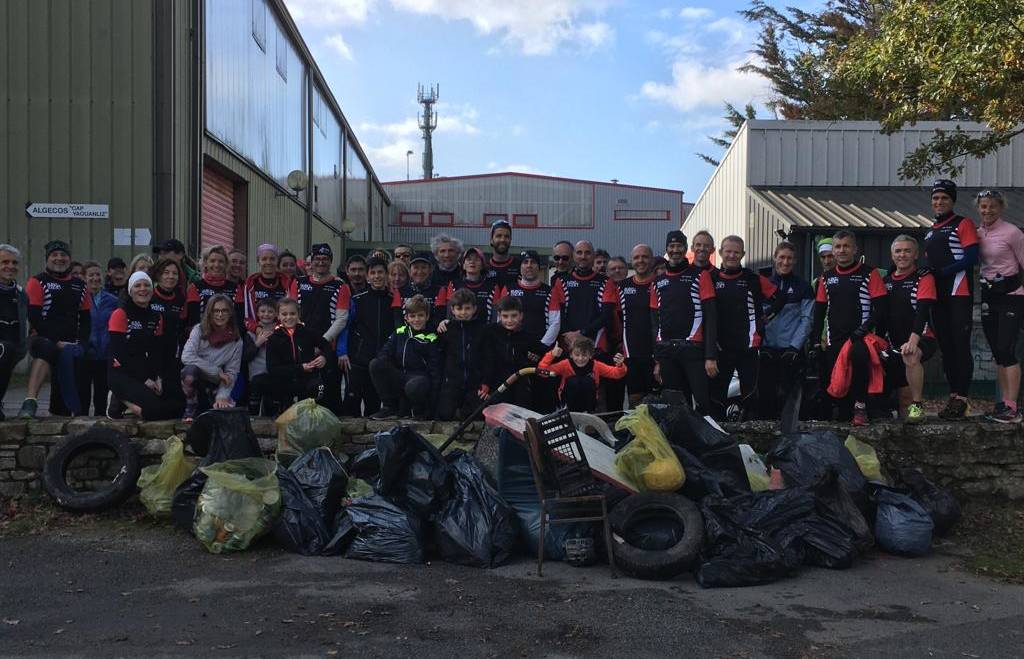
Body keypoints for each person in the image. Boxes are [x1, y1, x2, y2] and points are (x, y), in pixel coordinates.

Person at [811, 230, 888, 426]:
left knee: (859, 359)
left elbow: (881, 308)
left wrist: (863, 330)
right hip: (834, 339)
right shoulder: (825, 278)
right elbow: (819, 313)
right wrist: (814, 342)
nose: (842, 250)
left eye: (846, 246)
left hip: (860, 338)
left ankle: (861, 407)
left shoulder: (869, 273)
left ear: (855, 249)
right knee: (836, 386)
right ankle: (843, 416)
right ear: (833, 251)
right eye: (838, 246)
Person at [923, 179, 980, 418]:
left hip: (958, 292)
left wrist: (942, 273)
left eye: (944, 198)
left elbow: (971, 258)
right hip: (938, 295)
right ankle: (953, 396)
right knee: (946, 348)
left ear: (952, 201)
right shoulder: (930, 230)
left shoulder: (963, 223)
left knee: (959, 345)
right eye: (935, 198)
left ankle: (962, 397)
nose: (939, 202)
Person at [708, 236, 780, 421]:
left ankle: (752, 432)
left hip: (748, 345)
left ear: (743, 254)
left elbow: (780, 298)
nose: (732, 255)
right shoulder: (711, 278)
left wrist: (766, 316)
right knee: (717, 393)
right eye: (728, 251)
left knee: (750, 392)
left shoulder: (753, 279)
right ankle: (719, 431)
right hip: (721, 346)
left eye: (736, 252)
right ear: (721, 252)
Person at [18, 241, 91, 418]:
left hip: (70, 341)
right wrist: (57, 341)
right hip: (42, 338)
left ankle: (69, 411)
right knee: (48, 349)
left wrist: (81, 342)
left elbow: (86, 320)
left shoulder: (80, 285)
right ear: (47, 259)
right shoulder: (37, 281)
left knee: (84, 355)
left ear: (69, 259)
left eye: (63, 255)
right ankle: (30, 402)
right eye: (54, 255)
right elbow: (34, 317)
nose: (59, 258)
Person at [650, 230, 717, 415]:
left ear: (686, 249)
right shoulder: (657, 282)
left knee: (703, 402)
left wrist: (710, 356)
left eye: (679, 246)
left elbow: (711, 316)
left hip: (693, 349)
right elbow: (655, 323)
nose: (675, 250)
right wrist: (657, 358)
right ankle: (684, 442)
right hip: (667, 351)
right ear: (666, 249)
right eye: (671, 246)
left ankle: (709, 441)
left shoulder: (700, 275)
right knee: (677, 405)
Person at [106, 272, 183, 420]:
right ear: (130, 290)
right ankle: (120, 401)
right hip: (121, 372)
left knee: (178, 403)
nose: (143, 289)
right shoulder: (120, 314)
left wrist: (157, 377)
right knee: (155, 410)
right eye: (138, 285)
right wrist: (144, 379)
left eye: (147, 285)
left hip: (145, 370)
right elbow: (119, 353)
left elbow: (156, 352)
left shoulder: (156, 317)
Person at [976, 190, 1024, 422]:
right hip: (989, 296)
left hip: (1012, 295)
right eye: (984, 207)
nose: (987, 211)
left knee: (1007, 349)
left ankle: (1013, 407)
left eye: (992, 206)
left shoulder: (1012, 232)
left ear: (1001, 208)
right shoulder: (977, 233)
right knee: (997, 353)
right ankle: (1003, 404)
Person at [288, 243, 349, 412]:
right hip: (301, 348)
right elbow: (290, 313)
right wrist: (306, 342)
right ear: (311, 261)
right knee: (303, 397)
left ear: (330, 261)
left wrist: (321, 343)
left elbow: (341, 319)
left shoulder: (341, 286)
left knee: (330, 395)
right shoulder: (298, 283)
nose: (321, 262)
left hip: (327, 349)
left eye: (325, 259)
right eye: (317, 259)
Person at [757, 241, 814, 420]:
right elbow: (755, 317)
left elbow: (807, 320)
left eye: (789, 258)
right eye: (781, 257)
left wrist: (794, 347)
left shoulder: (803, 287)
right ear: (775, 258)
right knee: (766, 399)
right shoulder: (762, 284)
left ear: (795, 261)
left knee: (790, 400)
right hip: (766, 350)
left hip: (791, 352)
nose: (785, 262)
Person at [883, 235, 937, 423]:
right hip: (893, 341)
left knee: (911, 355)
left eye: (907, 251)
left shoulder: (923, 277)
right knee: (901, 398)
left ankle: (918, 406)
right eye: (898, 251)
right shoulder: (885, 280)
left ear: (916, 254)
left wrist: (913, 340)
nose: (902, 255)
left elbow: (923, 311)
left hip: (921, 337)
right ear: (892, 255)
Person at [368, 294, 442, 419]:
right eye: (412, 316)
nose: (416, 320)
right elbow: (384, 352)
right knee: (376, 364)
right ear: (406, 318)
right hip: (401, 376)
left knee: (414, 386)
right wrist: (388, 366)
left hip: (420, 379)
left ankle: (419, 410)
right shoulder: (400, 332)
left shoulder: (432, 338)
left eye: (420, 315)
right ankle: (389, 407)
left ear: (427, 316)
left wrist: (433, 405)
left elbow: (435, 372)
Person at [337, 257, 394, 416]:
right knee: (351, 405)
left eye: (380, 272)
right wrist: (342, 352)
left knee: (373, 405)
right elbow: (345, 327)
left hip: (379, 361)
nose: (377, 276)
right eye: (373, 273)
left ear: (387, 274)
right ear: (368, 276)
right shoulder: (357, 300)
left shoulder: (393, 301)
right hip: (357, 359)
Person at [180, 293, 243, 419]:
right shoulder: (198, 330)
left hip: (216, 383)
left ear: (230, 313)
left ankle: (213, 400)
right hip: (198, 377)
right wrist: (216, 371)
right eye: (216, 311)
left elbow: (232, 372)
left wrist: (222, 397)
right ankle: (190, 408)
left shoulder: (236, 341)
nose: (220, 315)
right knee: (189, 372)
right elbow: (187, 356)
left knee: (222, 411)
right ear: (210, 312)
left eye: (224, 310)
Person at [477, 296, 548, 408]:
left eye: (514, 316)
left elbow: (545, 351)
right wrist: (485, 382)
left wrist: (555, 353)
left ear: (521, 315)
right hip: (495, 383)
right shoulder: (489, 332)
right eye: (505, 316)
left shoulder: (526, 336)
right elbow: (482, 359)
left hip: (519, 382)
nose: (509, 320)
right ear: (499, 315)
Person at [265, 297, 332, 408]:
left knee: (318, 388)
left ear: (298, 314)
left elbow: (327, 347)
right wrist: (300, 368)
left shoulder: (308, 332)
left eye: (292, 314)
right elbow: (272, 368)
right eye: (284, 314)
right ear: (278, 316)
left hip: (307, 380)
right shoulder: (273, 339)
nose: (289, 317)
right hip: (285, 381)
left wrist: (324, 357)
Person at [618, 244, 658, 408]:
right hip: (631, 353)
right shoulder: (622, 286)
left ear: (652, 260)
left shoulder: (659, 283)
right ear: (631, 261)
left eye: (645, 257)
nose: (640, 260)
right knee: (634, 400)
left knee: (654, 402)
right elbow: (617, 318)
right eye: (636, 257)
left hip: (655, 353)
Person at [539, 337, 627, 412]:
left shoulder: (596, 365)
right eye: (577, 355)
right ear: (571, 354)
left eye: (584, 355)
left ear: (590, 355)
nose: (580, 358)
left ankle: (589, 413)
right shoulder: (565, 364)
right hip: (568, 403)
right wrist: (551, 355)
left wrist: (620, 365)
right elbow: (542, 372)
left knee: (587, 381)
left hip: (588, 403)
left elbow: (616, 374)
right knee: (574, 381)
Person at [436, 289, 486, 420]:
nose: (463, 312)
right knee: (444, 414)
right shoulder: (445, 329)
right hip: (452, 383)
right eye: (459, 308)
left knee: (475, 416)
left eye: (467, 308)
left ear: (474, 309)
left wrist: (485, 382)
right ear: (452, 309)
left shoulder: (482, 330)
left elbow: (488, 359)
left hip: (474, 383)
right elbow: (439, 358)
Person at [77, 261, 118, 416]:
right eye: (91, 275)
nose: (95, 278)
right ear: (84, 278)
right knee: (83, 392)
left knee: (101, 393)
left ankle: (101, 422)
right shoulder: (79, 299)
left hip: (105, 354)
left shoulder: (113, 300)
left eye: (98, 274)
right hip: (85, 353)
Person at [435, 247, 504, 322]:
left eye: (476, 259)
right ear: (463, 265)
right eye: (468, 259)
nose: (472, 262)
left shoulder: (492, 286)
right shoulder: (453, 284)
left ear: (482, 265)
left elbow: (495, 316)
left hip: (484, 331)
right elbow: (449, 314)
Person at [0, 245, 28, 421]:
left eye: (14, 263)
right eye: (4, 262)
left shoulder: (20, 293)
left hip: (12, 347)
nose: (10, 266)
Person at [185, 245, 242, 328]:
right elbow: (192, 321)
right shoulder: (195, 287)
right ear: (205, 263)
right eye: (212, 261)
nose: (216, 265)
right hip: (203, 337)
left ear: (226, 264)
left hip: (229, 337)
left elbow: (239, 320)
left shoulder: (236, 288)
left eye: (221, 261)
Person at [242, 243, 291, 328]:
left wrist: (277, 329)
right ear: (258, 261)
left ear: (277, 261)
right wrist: (256, 329)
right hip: (258, 331)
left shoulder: (287, 283)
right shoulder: (251, 283)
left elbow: (290, 311)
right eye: (264, 259)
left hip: (282, 330)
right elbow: (247, 315)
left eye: (272, 259)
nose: (268, 262)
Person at [243, 298, 279, 415]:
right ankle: (253, 418)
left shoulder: (281, 332)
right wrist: (258, 343)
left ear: (276, 314)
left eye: (270, 311)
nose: (266, 314)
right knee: (254, 399)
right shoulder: (250, 334)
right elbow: (246, 357)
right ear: (257, 313)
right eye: (263, 311)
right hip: (256, 374)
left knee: (272, 403)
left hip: (274, 374)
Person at [148, 258, 188, 359]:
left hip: (173, 352)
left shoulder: (181, 299)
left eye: (175, 273)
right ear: (158, 275)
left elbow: (184, 327)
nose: (171, 276)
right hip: (150, 351)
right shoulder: (149, 296)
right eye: (166, 272)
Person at [391, 252, 442, 327]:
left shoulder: (439, 291)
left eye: (423, 267)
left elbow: (439, 319)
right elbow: (397, 320)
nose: (419, 271)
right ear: (409, 270)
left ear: (430, 269)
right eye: (416, 267)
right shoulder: (399, 292)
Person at [485, 219, 519, 286]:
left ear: (510, 240)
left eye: (506, 236)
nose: (502, 240)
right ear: (491, 240)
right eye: (498, 236)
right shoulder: (484, 267)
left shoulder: (519, 266)